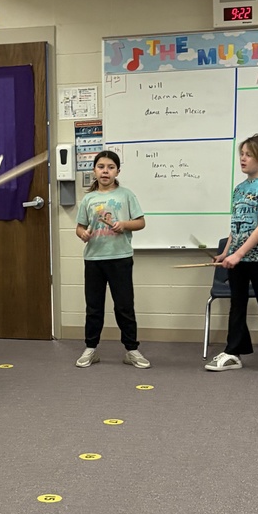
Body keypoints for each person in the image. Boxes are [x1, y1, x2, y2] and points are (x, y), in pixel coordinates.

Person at [205, 133, 258, 377]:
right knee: (237, 304)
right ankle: (233, 353)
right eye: (241, 154)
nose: (242, 159)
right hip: (239, 257)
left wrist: (239, 254)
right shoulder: (239, 188)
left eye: (248, 155)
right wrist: (225, 252)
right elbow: (237, 226)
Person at [74, 150, 151, 369]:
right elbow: (79, 227)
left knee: (124, 306)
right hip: (94, 259)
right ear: (94, 170)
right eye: (101, 167)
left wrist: (124, 225)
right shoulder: (88, 199)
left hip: (120, 258)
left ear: (118, 171)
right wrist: (83, 234)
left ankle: (131, 350)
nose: (105, 171)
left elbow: (141, 222)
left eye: (110, 167)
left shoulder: (126, 195)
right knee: (94, 306)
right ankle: (91, 348)